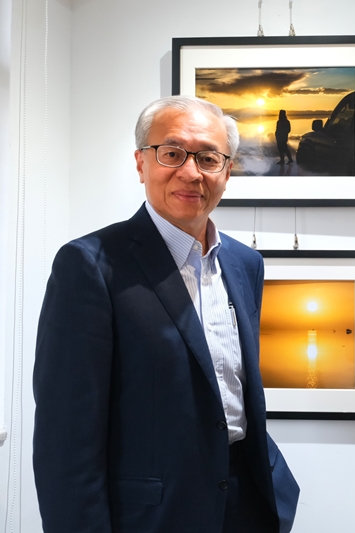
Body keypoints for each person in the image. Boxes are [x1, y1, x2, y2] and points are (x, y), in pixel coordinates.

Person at [32, 95, 300, 533]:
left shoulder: (244, 263)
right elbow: (66, 437)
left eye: (208, 158)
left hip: (246, 503)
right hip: (153, 515)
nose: (191, 173)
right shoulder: (91, 265)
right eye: (172, 153)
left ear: (227, 171)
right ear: (141, 163)